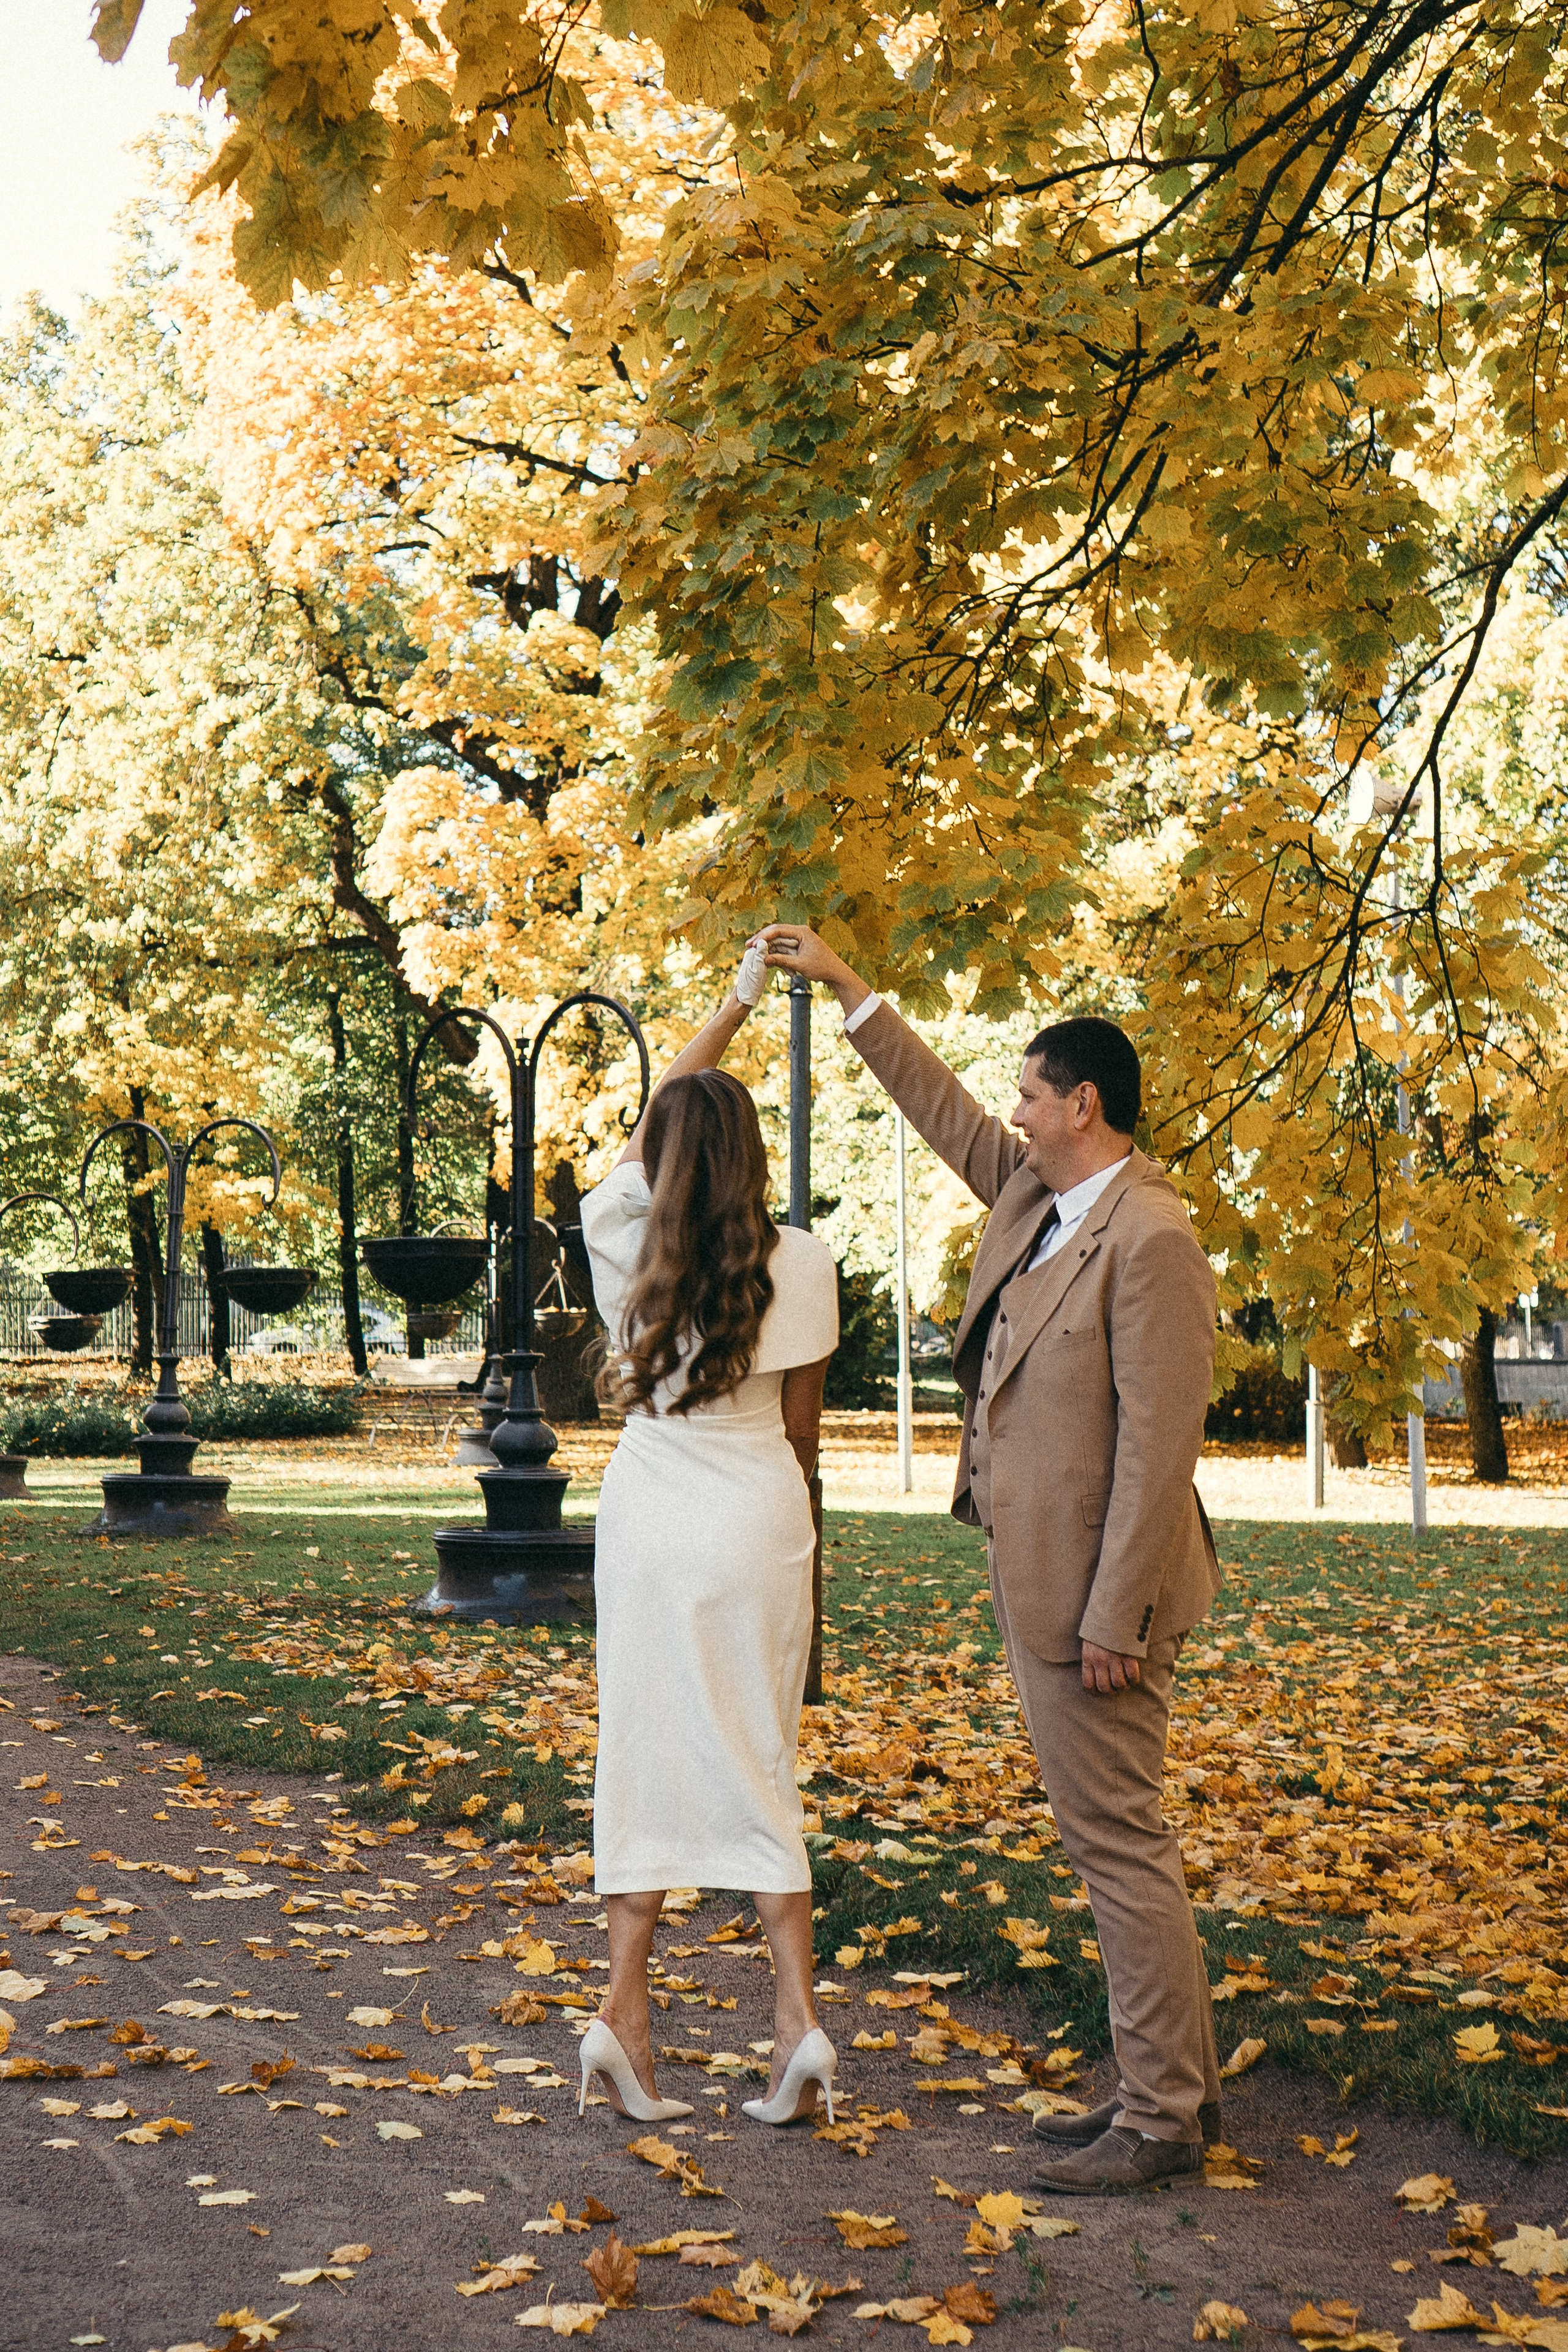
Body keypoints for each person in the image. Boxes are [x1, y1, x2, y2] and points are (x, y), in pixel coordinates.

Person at [756, 924, 1223, 2196]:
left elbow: (1156, 1455)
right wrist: (853, 992)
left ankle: (1162, 2116)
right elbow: (939, 1110)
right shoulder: (1038, 1197)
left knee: (1116, 1842)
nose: (1009, 1112)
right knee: (1106, 1840)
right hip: (1042, 1579)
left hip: (1097, 1598)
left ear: (1082, 1103)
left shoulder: (1151, 1240)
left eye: (1028, 1091)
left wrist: (1115, 1614)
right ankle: (1157, 2087)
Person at [574, 945, 841, 2130]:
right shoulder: (809, 1265)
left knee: (641, 1751)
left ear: (665, 1158)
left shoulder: (621, 1235)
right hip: (758, 1520)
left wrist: (730, 1004)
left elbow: (642, 1140)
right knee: (757, 1757)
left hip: (648, 1521)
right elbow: (802, 1437)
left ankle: (624, 2020)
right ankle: (796, 2023)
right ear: (755, 1159)